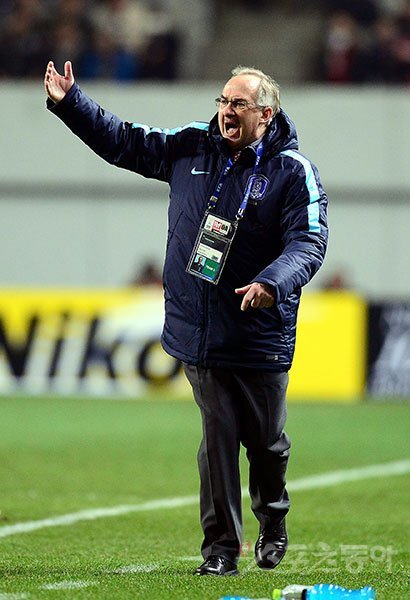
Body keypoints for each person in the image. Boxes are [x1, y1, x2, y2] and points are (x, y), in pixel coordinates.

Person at [44, 61, 328, 576]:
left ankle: (273, 518)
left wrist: (272, 283)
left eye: (238, 104)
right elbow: (125, 142)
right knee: (217, 440)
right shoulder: (192, 144)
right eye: (223, 101)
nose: (226, 111)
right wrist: (71, 103)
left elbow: (308, 241)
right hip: (198, 327)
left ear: (266, 114)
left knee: (266, 444)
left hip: (259, 331)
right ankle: (221, 551)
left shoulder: (293, 171)